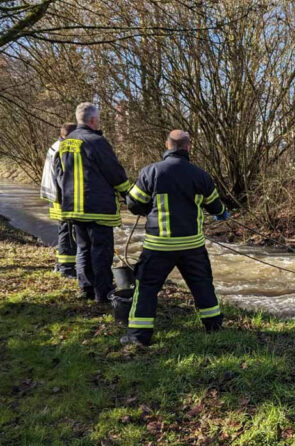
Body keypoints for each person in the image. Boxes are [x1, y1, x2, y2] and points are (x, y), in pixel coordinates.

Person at [122, 130, 229, 346]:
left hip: (159, 245)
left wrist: (147, 207)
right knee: (202, 285)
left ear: (167, 145)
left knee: (147, 287)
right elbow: (216, 207)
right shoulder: (201, 176)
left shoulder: (150, 172)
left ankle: (138, 336)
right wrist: (223, 213)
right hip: (192, 245)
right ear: (188, 147)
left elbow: (133, 204)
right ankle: (214, 327)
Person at [54, 103, 131, 302]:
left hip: (74, 208)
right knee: (101, 252)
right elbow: (114, 172)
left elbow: (59, 174)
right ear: (93, 120)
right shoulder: (96, 141)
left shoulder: (64, 143)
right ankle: (103, 294)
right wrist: (129, 194)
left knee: (83, 249)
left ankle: (86, 289)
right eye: (98, 119)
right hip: (97, 208)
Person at [40, 122, 77, 277]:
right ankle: (66, 268)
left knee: (65, 231)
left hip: (55, 197)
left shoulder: (56, 145)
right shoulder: (62, 149)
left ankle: (61, 265)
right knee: (67, 233)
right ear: (68, 136)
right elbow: (63, 179)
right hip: (61, 198)